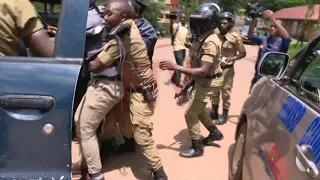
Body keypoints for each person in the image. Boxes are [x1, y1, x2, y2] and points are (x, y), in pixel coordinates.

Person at [98, 0, 168, 178]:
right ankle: (127, 144)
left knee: (141, 131)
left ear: (133, 11)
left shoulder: (144, 31)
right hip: (124, 82)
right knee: (119, 118)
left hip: (140, 87)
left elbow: (133, 51)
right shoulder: (119, 29)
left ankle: (160, 174)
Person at [74, 1, 136, 179]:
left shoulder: (91, 17)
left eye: (109, 14)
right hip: (103, 83)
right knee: (81, 122)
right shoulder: (98, 14)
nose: (105, 17)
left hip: (107, 84)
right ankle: (89, 165)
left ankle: (95, 175)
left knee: (86, 128)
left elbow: (96, 65)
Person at [159, 3, 224, 158]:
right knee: (199, 110)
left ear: (210, 23)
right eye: (195, 21)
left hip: (209, 81)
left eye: (200, 22)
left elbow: (203, 70)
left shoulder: (211, 42)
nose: (196, 25)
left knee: (190, 114)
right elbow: (196, 70)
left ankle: (197, 147)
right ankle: (215, 133)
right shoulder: (199, 38)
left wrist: (176, 66)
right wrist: (185, 88)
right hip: (203, 80)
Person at [210, 12, 246, 125]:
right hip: (215, 67)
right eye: (220, 22)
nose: (222, 25)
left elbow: (243, 53)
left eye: (225, 23)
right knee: (214, 90)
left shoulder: (235, 37)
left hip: (228, 69)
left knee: (225, 92)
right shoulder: (214, 35)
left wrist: (231, 59)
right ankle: (214, 111)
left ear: (230, 24)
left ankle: (224, 115)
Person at [248, 9, 291, 91]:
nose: (272, 28)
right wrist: (254, 20)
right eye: (271, 26)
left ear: (279, 29)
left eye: (275, 27)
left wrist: (272, 18)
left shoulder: (283, 43)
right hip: (257, 77)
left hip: (271, 81)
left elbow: (286, 36)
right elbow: (250, 36)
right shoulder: (264, 39)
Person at [170, 13, 189, 87]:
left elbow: (186, 37)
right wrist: (171, 21)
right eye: (182, 17)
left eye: (184, 18)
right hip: (177, 47)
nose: (183, 19)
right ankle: (178, 81)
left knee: (179, 64)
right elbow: (171, 31)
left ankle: (173, 78)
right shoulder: (176, 25)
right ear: (180, 18)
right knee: (180, 64)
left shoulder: (186, 27)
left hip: (184, 48)